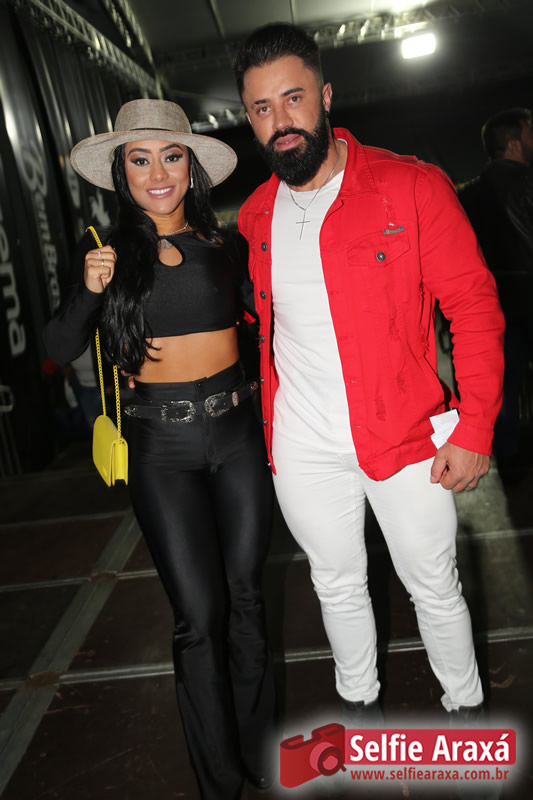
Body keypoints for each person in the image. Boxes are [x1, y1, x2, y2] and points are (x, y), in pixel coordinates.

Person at [234, 24, 505, 727]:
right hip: (302, 443)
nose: (280, 120)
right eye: (261, 107)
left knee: (433, 585)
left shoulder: (409, 186)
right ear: (249, 118)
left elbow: (474, 307)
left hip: (404, 435)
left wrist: (474, 427)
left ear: (325, 96)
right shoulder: (256, 215)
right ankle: (361, 711)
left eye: (293, 98)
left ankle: (465, 714)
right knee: (334, 583)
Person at [44, 99, 275, 800]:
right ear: (120, 173)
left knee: (246, 600)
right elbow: (57, 346)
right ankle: (219, 783)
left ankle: (261, 753)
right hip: (161, 450)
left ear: (191, 167)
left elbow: (271, 323)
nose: (157, 173)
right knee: (198, 619)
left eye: (171, 156)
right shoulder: (105, 253)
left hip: (237, 437)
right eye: (139, 160)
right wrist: (90, 291)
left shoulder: (225, 245)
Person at [459, 108, 533, 470]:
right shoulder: (528, 184)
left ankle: (508, 460)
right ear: (514, 144)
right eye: (530, 134)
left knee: (501, 386)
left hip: (491, 309)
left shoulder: (466, 195)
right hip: (528, 300)